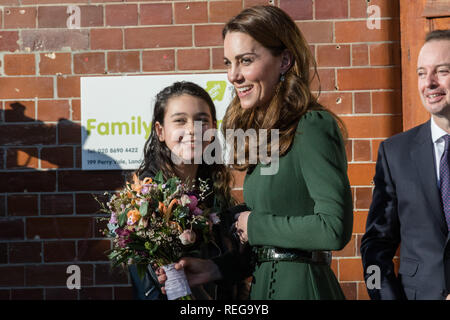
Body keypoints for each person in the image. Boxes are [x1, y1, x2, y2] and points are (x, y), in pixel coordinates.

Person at [158, 5, 353, 300]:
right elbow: (271, 248)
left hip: (304, 290)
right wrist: (215, 268)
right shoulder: (268, 133)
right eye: (228, 63)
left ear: (284, 60)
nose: (233, 76)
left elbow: (333, 228)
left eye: (245, 61)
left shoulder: (311, 125)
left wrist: (254, 224)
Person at [360, 29, 450, 300]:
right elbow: (375, 245)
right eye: (422, 73)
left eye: (442, 71)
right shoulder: (395, 153)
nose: (429, 83)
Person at [127, 81, 237, 300]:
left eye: (202, 120)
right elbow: (154, 285)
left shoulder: (215, 190)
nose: (192, 129)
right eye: (180, 120)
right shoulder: (145, 198)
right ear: (160, 131)